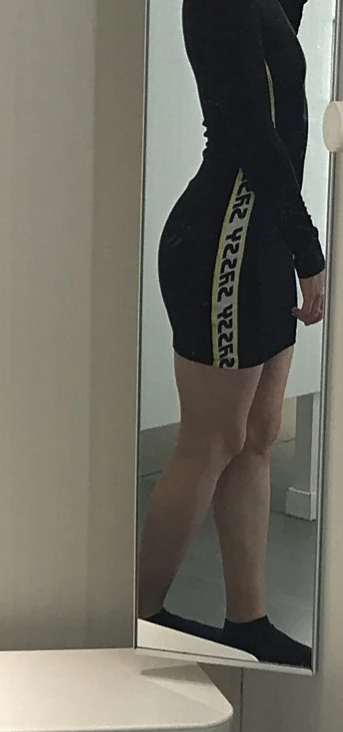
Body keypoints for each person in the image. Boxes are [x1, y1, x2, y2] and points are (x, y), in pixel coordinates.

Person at [138, 0, 326, 668]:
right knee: (212, 439)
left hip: (261, 238)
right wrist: (308, 249)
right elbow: (251, 130)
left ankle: (248, 621)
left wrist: (289, 245)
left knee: (257, 436)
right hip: (224, 239)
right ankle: (138, 618)